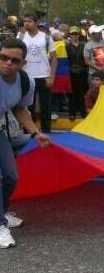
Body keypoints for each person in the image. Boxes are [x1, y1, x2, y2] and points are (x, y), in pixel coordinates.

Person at [0, 37, 51, 248]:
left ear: (23, 63)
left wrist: (36, 132)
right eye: (3, 57)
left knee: (11, 177)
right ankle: (0, 225)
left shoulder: (25, 82)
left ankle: (2, 212)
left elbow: (20, 108)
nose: (8, 63)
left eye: (14, 60)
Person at [20, 14, 57, 133]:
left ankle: (46, 131)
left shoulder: (46, 38)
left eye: (29, 21)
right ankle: (29, 132)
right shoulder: (20, 37)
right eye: (25, 21)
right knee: (27, 107)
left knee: (45, 106)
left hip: (43, 76)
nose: (26, 23)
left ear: (36, 23)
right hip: (26, 76)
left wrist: (51, 78)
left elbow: (54, 59)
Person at [66, 26, 88, 120]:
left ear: (79, 35)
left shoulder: (84, 45)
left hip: (82, 71)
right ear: (69, 35)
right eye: (72, 34)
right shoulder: (66, 46)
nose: (74, 35)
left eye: (76, 34)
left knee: (82, 92)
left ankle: (82, 111)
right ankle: (72, 112)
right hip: (70, 72)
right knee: (71, 93)